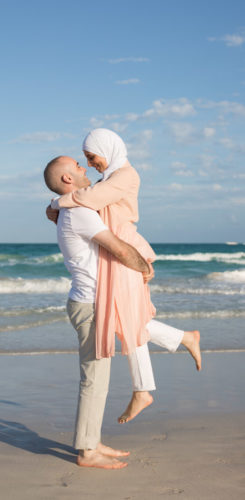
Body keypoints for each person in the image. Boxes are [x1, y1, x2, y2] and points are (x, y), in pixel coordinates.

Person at [48, 128, 201, 424]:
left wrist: (55, 203)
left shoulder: (125, 176)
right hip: (114, 251)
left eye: (91, 158)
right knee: (126, 317)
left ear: (107, 149)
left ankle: (145, 387)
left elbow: (89, 197)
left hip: (124, 248)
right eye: (86, 160)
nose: (90, 164)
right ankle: (181, 340)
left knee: (127, 317)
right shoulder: (111, 176)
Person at [44, 156, 156, 469]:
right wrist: (144, 268)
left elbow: (57, 205)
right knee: (94, 380)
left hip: (94, 303)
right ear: (68, 179)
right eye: (78, 166)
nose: (85, 168)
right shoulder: (80, 213)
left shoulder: (72, 208)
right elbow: (118, 248)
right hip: (91, 306)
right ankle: (86, 452)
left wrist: (53, 202)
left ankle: (91, 442)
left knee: (100, 378)